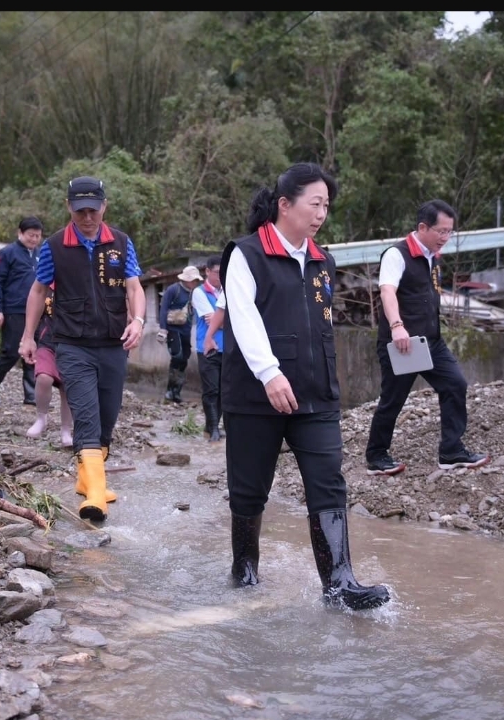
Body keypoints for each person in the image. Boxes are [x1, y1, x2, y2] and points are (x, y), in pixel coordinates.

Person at [219, 162, 389, 611]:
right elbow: (243, 316)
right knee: (250, 487)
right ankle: (245, 566)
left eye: (326, 206)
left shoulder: (322, 260)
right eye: (314, 203)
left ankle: (340, 584)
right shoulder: (246, 254)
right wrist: (269, 372)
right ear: (284, 204)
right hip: (256, 395)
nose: (321, 213)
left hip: (315, 395)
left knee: (328, 483)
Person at [18, 176, 145, 523]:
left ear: (104, 206)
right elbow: (38, 291)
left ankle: (86, 477)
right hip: (71, 344)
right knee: (85, 415)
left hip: (113, 344)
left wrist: (138, 321)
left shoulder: (121, 242)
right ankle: (94, 496)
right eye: (80, 211)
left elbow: (134, 287)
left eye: (93, 210)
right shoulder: (55, 245)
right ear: (69, 208)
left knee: (107, 416)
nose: (87, 218)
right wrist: (28, 337)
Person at [363, 199, 489, 475]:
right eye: (441, 231)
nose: (445, 238)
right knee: (393, 399)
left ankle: (451, 451)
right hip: (402, 344)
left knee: (455, 384)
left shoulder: (433, 258)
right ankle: (376, 455)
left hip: (431, 342)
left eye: (449, 232)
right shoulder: (396, 255)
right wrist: (397, 325)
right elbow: (387, 291)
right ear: (423, 227)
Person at [0, 216, 43, 407]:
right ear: (20, 233)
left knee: (33, 352)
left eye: (37, 236)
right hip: (14, 309)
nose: (34, 239)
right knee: (11, 352)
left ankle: (31, 393)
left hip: (36, 311)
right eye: (30, 235)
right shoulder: (8, 253)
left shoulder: (41, 254)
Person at [25, 284, 73, 447]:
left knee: (68, 388)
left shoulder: (81, 281)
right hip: (47, 341)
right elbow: (33, 312)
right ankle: (41, 418)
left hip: (73, 344)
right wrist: (27, 338)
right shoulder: (45, 286)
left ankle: (66, 429)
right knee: (44, 377)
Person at [156, 264, 202, 403]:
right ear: (187, 279)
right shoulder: (173, 290)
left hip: (186, 329)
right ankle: (170, 390)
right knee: (177, 356)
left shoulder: (194, 292)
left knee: (184, 358)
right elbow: (163, 308)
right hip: (172, 329)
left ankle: (177, 391)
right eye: (193, 280)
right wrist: (163, 328)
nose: (195, 283)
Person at [193, 254, 224, 441]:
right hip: (208, 349)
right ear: (207, 271)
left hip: (227, 349)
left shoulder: (227, 291)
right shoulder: (199, 292)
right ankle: (213, 428)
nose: (221, 276)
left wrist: (220, 319)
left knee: (223, 390)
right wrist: (228, 320)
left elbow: (218, 319)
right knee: (211, 390)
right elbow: (213, 321)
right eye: (217, 273)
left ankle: (212, 426)